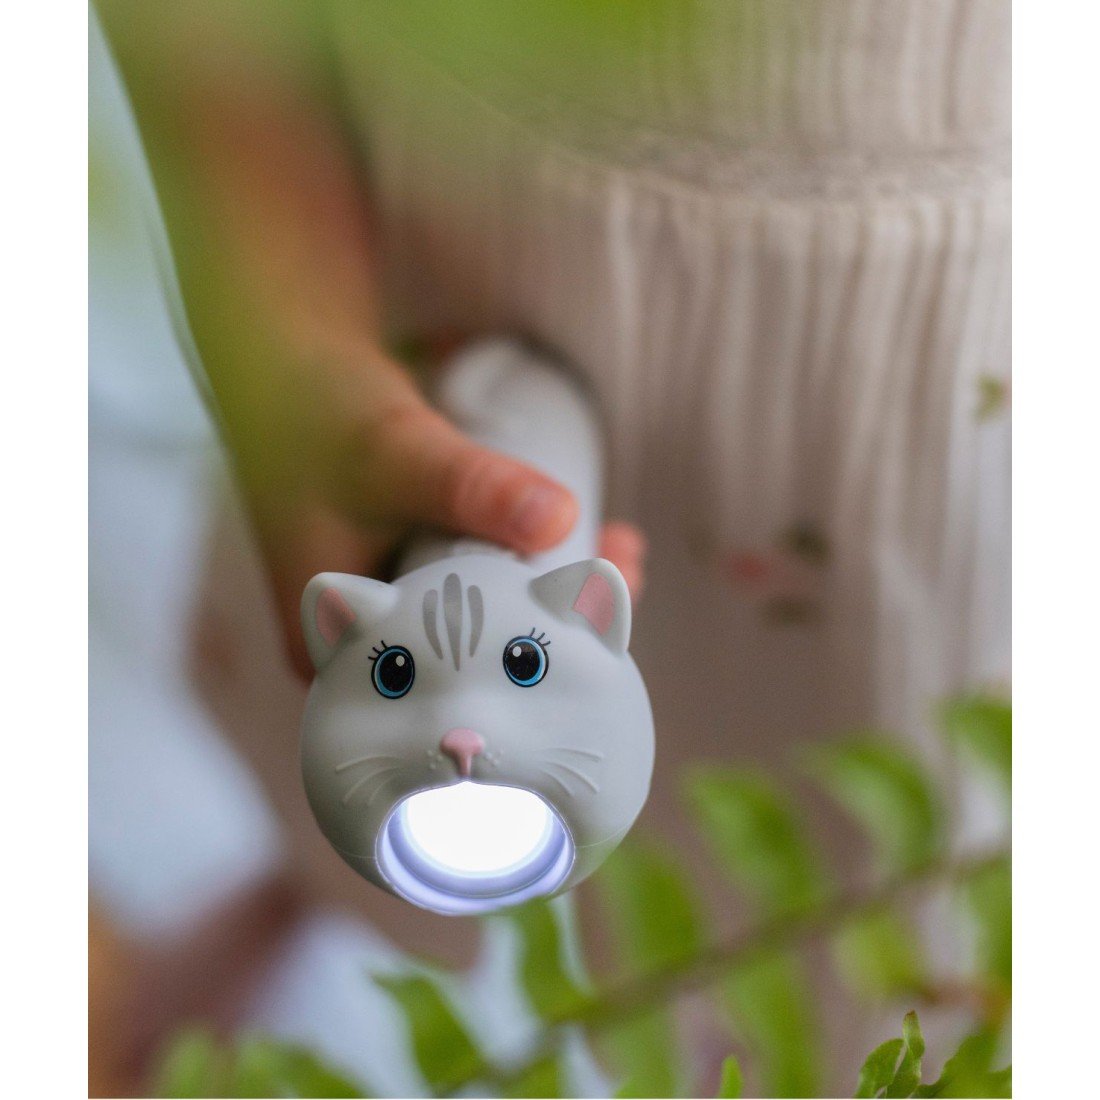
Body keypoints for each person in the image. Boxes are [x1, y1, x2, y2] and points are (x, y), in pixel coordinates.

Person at [93, 1, 1010, 1092]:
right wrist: (287, 342)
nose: (463, 742)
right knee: (350, 708)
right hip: (473, 196)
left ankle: (814, 1010)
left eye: (526, 660)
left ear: (589, 611)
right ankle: (327, 883)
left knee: (882, 803)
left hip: (933, 335)